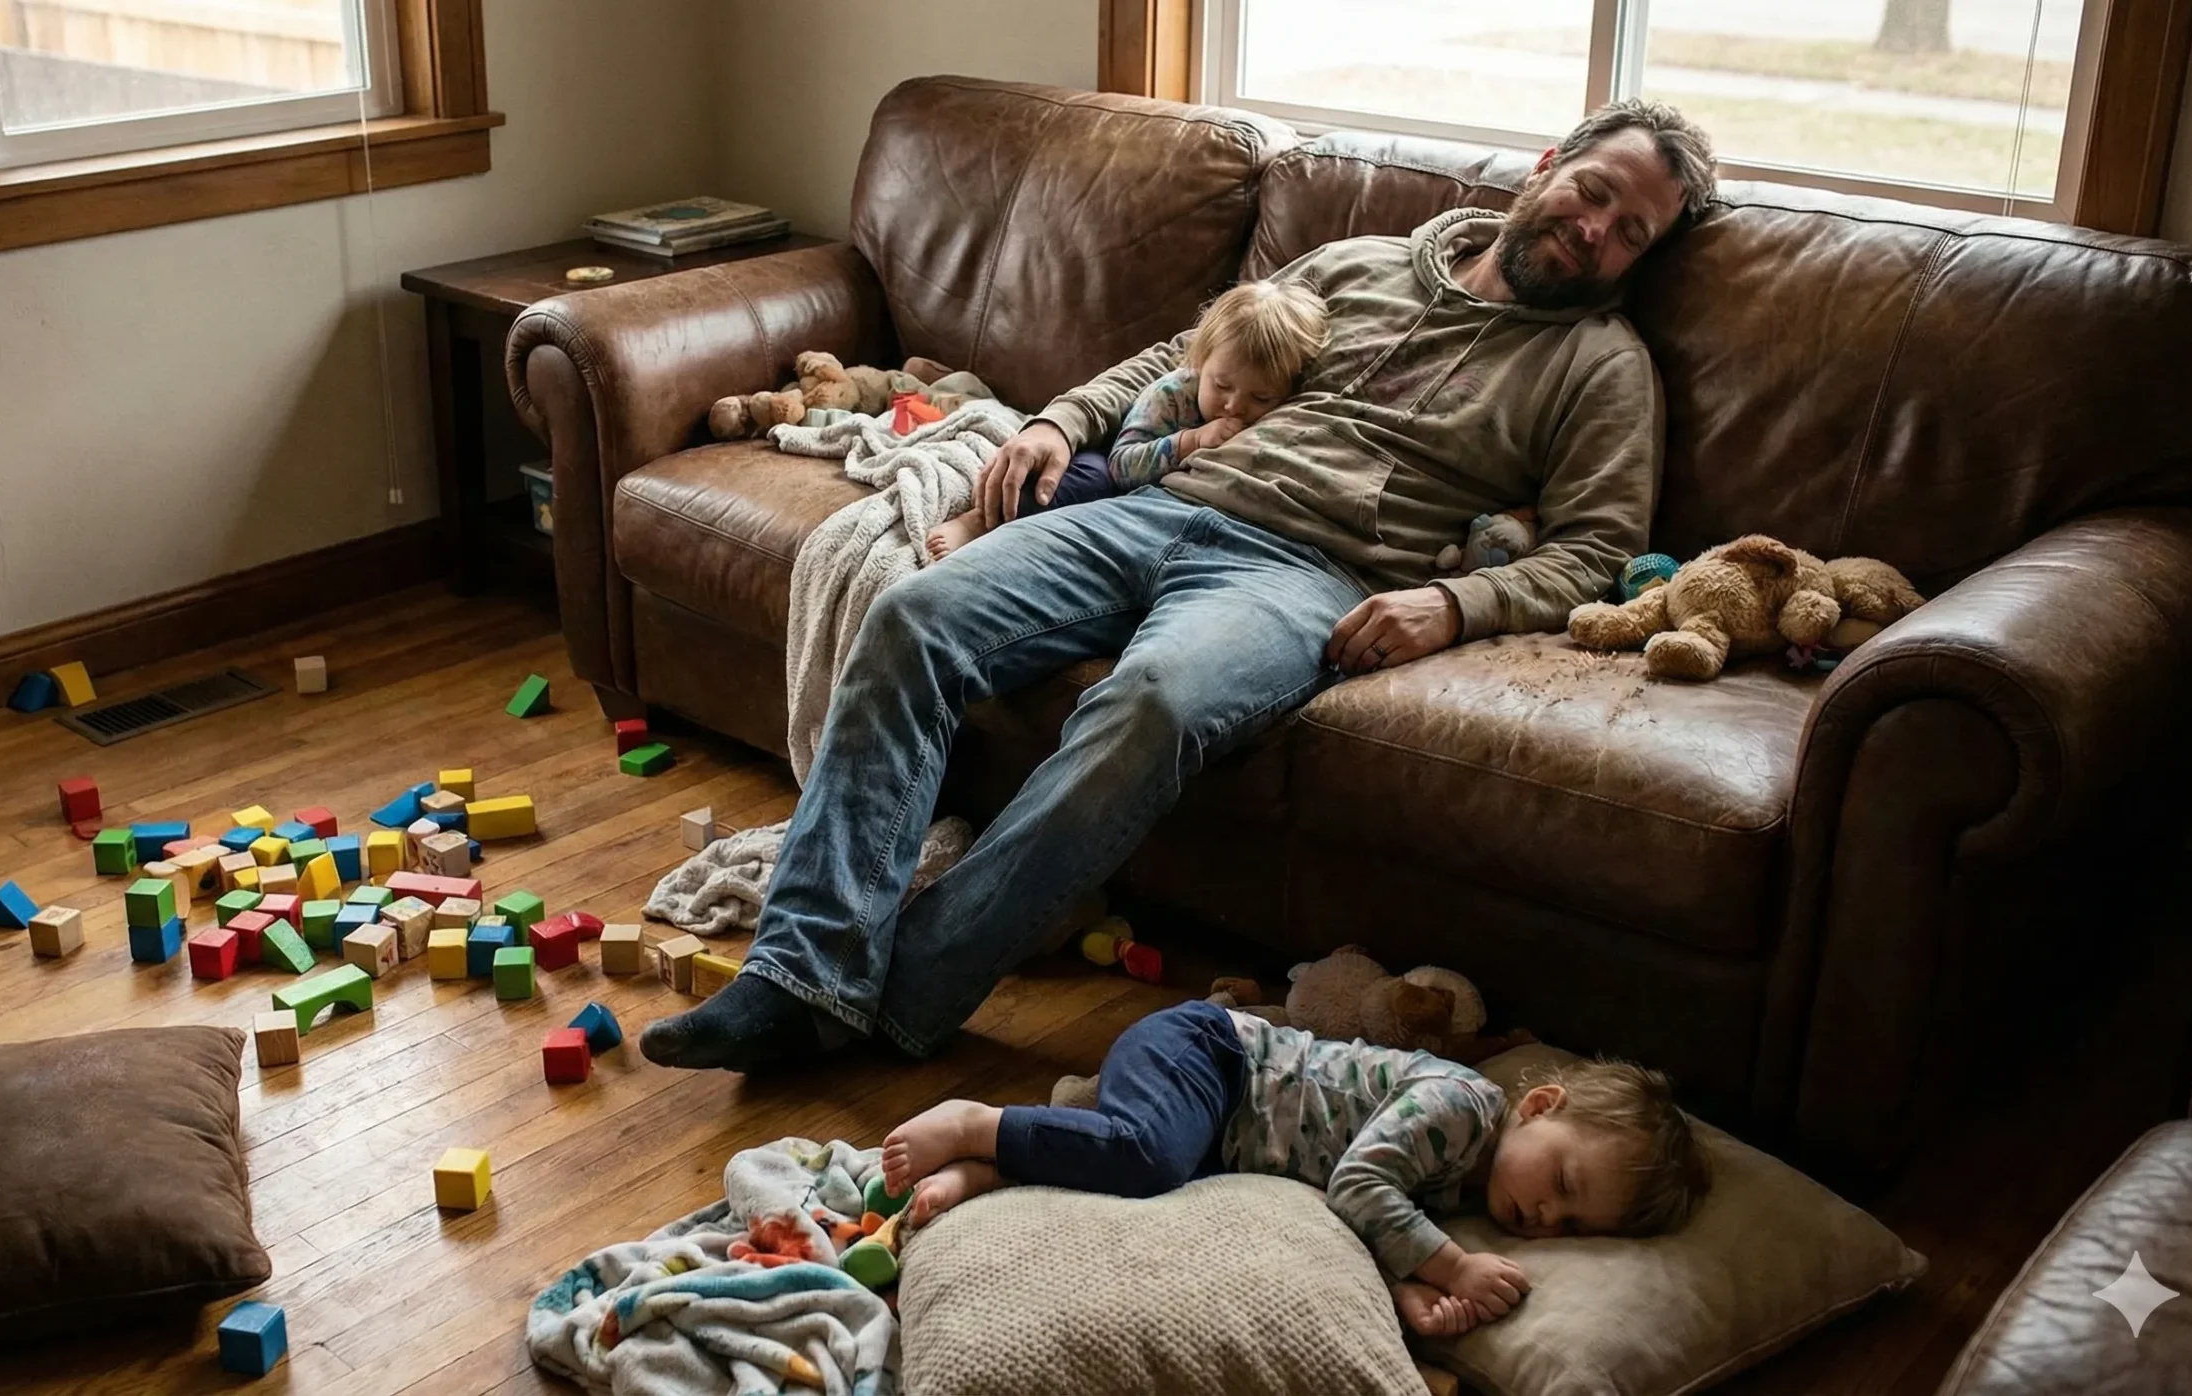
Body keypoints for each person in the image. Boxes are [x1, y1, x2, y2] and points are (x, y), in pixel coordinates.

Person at [640, 101, 1717, 1074]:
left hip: (1302, 575)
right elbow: (1177, 354)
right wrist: (1062, 419)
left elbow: (1595, 551)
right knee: (911, 614)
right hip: (1157, 504)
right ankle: (797, 975)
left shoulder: (1600, 367)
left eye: (1632, 232)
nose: (1596, 232)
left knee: (1149, 704)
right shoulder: (1358, 265)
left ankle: (892, 997)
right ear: (1547, 167)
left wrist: (1454, 603)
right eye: (1595, 193)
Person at [877, 1001, 1712, 1335]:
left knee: (1152, 1177)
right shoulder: (1462, 1109)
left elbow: (1361, 1225)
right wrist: (1449, 1261)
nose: (1544, 1218)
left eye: (1571, 1225)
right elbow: (1359, 1186)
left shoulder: (1463, 1187)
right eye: (1561, 1185)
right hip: (1211, 1055)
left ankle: (997, 1173)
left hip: (1220, 1131)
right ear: (1537, 1108)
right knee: (1149, 1159)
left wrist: (1409, 1294)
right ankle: (976, 1122)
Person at [924, 279, 1330, 560]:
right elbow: (1123, 466)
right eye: (1221, 385)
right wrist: (1188, 442)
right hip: (1118, 458)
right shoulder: (1171, 394)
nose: (1234, 406)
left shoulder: (1277, 415)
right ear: (1201, 362)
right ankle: (977, 522)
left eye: (1260, 396)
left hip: (1167, 507)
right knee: (1085, 481)